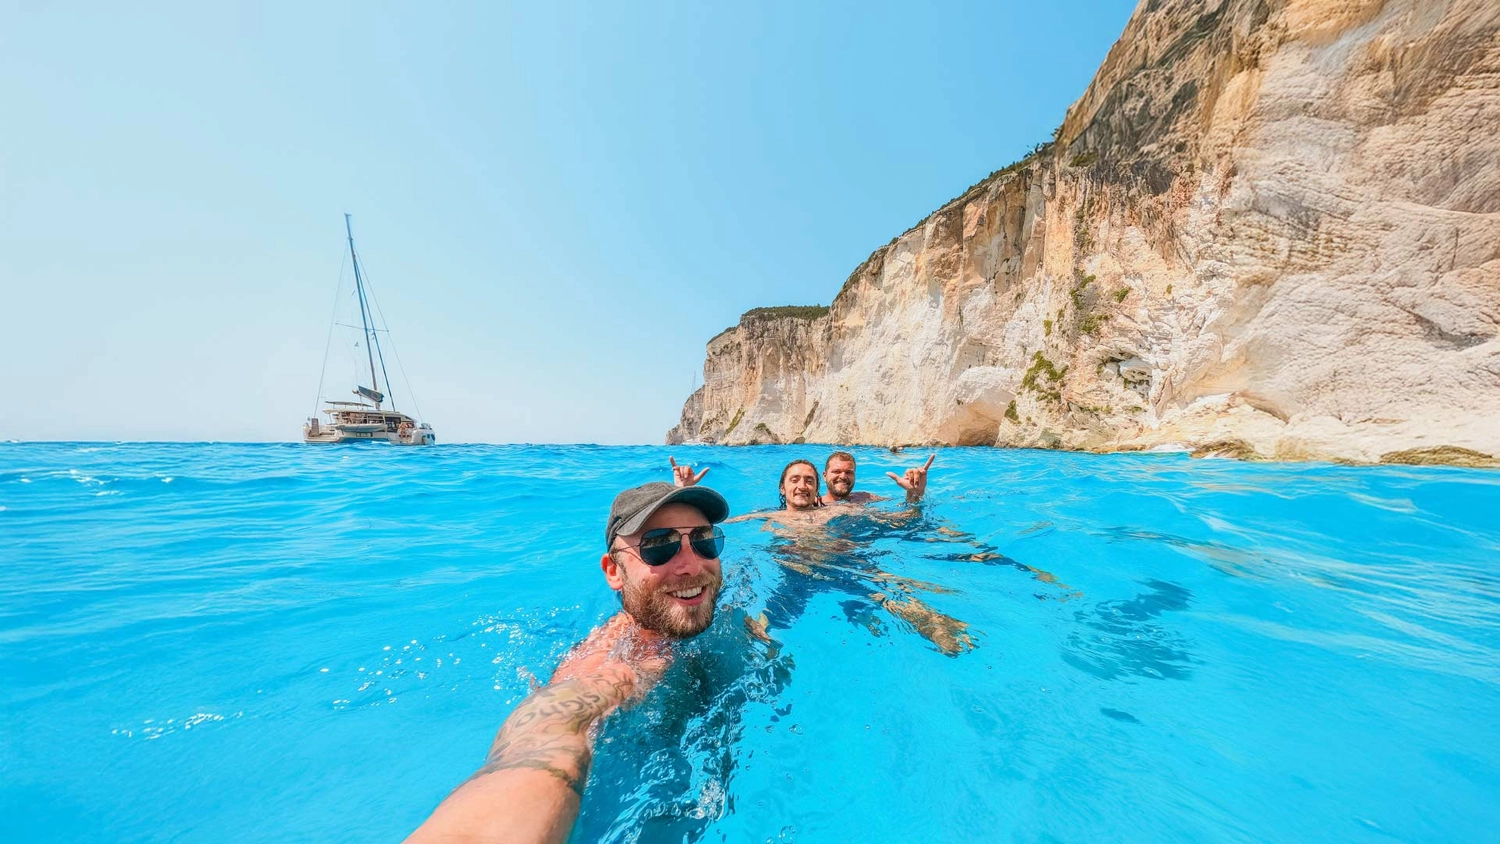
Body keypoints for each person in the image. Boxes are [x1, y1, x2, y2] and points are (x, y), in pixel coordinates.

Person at [405, 482, 730, 844]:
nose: (691, 564)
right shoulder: (614, 662)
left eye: (703, 540)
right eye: (658, 546)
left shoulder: (693, 601)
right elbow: (547, 735)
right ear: (613, 572)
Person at [822, 450, 935, 506]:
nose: (843, 476)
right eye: (836, 471)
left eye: (849, 472)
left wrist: (915, 494)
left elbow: (905, 519)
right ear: (825, 476)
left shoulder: (865, 497)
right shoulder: (814, 504)